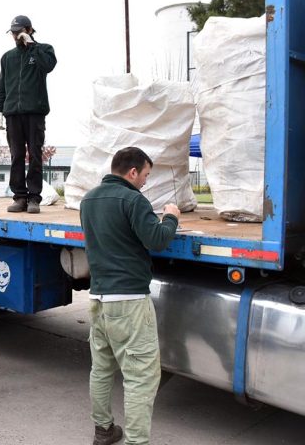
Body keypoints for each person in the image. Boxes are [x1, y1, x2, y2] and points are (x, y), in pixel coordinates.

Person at [79, 147, 181, 445]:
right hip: (129, 301)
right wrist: (171, 217)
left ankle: (103, 430)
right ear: (132, 172)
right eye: (146, 175)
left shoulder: (88, 200)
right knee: (140, 377)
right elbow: (157, 240)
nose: (146, 181)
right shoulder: (133, 200)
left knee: (101, 369)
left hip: (99, 299)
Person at [0, 14, 57, 214]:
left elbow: (48, 66)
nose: (16, 36)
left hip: (34, 112)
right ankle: (20, 197)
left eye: (19, 32)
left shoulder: (44, 50)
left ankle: (34, 198)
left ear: (29, 30)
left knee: (35, 155)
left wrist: (31, 45)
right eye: (13, 33)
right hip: (12, 113)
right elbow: (2, 87)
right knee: (17, 156)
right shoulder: (7, 58)